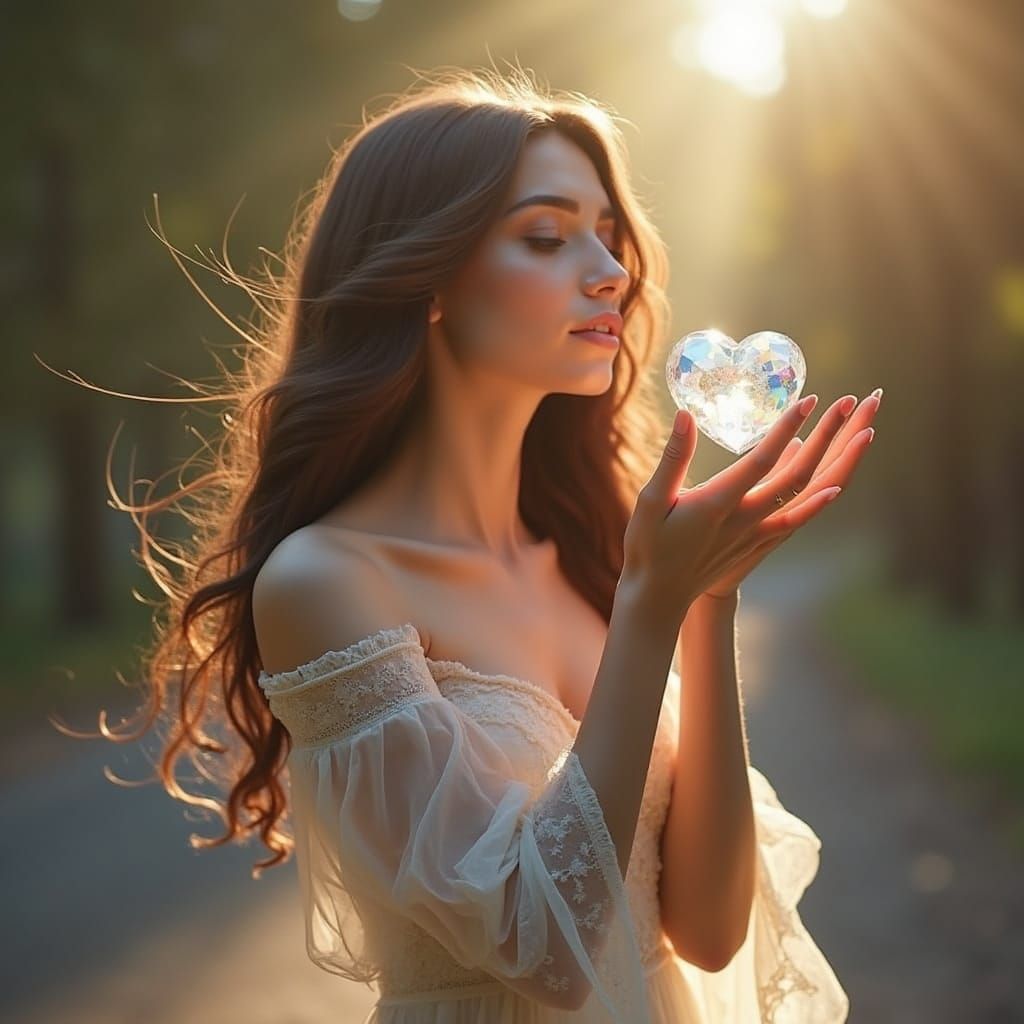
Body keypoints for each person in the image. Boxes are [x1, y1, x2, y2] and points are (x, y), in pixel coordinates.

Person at [101, 66, 874, 1022]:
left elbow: (709, 931)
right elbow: (544, 951)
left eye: (608, 233)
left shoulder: (591, 553)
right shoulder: (328, 582)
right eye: (547, 236)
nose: (610, 270)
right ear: (425, 280)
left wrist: (706, 600)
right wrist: (649, 610)